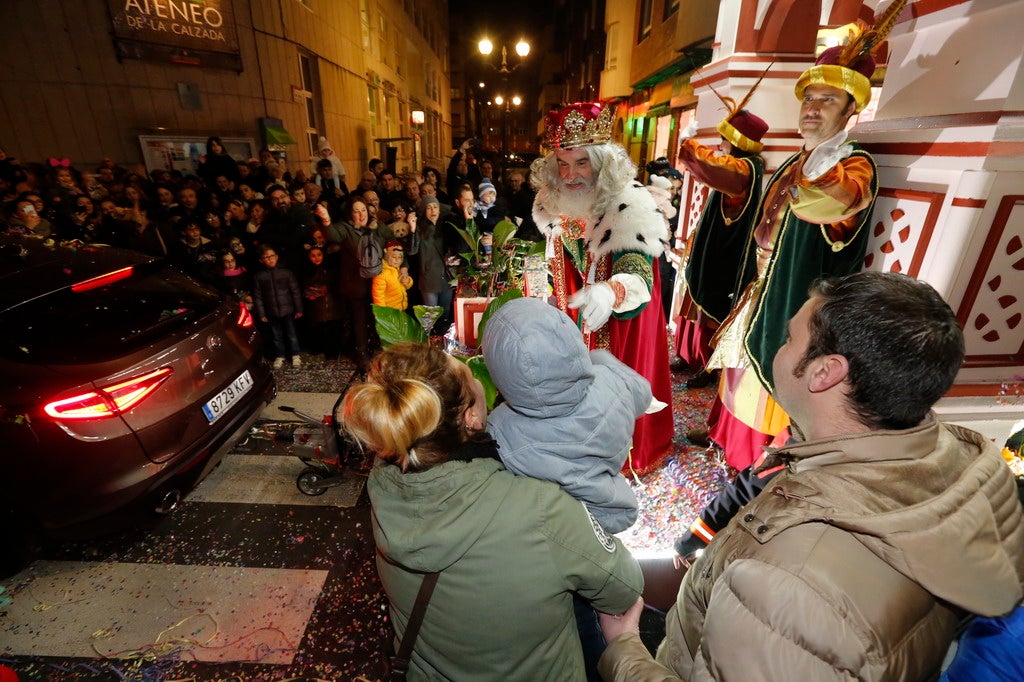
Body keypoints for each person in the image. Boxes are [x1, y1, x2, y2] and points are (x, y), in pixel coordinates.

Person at [598, 271, 1024, 682]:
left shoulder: (787, 584)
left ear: (825, 372)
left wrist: (623, 648)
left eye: (789, 339)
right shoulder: (950, 463)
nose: (777, 351)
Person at [341, 342, 644, 681]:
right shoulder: (541, 509)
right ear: (471, 417)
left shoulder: (382, 486)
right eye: (471, 378)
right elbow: (624, 588)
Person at [679, 43, 880, 471]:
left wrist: (801, 189)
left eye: (828, 100)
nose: (813, 108)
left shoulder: (855, 165)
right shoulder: (796, 159)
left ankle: (754, 461)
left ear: (850, 110)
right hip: (763, 281)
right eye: (809, 98)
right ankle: (724, 437)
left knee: (771, 371)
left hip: (798, 294)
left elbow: (829, 202)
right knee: (739, 368)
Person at [531, 101, 673, 474]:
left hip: (619, 328)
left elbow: (636, 269)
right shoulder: (556, 203)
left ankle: (620, 455)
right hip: (575, 321)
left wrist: (612, 291)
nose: (571, 174)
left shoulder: (629, 204)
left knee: (610, 391)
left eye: (581, 162)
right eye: (562, 163)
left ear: (602, 162)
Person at [676, 86, 770, 393]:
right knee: (697, 306)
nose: (721, 145)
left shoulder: (744, 169)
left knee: (713, 313)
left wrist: (688, 143)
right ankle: (691, 356)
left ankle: (707, 366)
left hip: (726, 256)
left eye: (726, 140)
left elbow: (711, 167)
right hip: (712, 249)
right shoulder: (742, 166)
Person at [252, 244, 303, 369]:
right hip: (271, 311)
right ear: (261, 260)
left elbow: (295, 291)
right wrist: (261, 313)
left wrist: (299, 308)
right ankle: (280, 355)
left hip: (288, 309)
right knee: (276, 336)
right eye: (266, 257)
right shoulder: (259, 276)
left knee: (291, 334)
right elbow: (257, 296)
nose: (270, 259)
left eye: (272, 256)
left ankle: (295, 354)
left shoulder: (286, 273)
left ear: (277, 256)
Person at [371, 240, 413, 311]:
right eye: (394, 257)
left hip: (401, 309)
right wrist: (383, 313)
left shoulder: (398, 269)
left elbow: (406, 286)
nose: (397, 260)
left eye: (400, 257)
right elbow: (378, 297)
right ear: (387, 256)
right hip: (389, 313)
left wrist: (408, 281)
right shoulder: (381, 274)